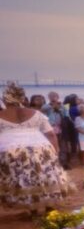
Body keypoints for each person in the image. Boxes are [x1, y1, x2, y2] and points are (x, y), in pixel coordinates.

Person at [0, 82, 72, 212]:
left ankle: (32, 209)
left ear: (5, 99)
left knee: (24, 179)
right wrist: (56, 151)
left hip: (11, 151)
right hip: (41, 148)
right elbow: (50, 134)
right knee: (44, 177)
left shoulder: (2, 115)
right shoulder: (36, 113)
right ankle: (49, 207)